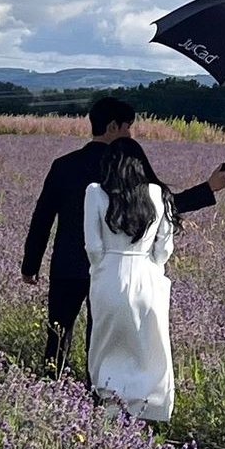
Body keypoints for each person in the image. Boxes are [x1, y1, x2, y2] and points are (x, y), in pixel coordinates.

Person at [21, 97, 225, 381]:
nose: (131, 134)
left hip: (67, 266)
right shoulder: (126, 167)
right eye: (128, 127)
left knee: (58, 332)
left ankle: (50, 384)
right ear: (112, 126)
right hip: (111, 270)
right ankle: (98, 390)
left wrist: (30, 265)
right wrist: (207, 189)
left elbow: (42, 218)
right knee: (102, 337)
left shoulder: (63, 165)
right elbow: (162, 205)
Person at [84, 138, 178, 420]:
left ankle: (110, 405)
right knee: (149, 346)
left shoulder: (95, 193)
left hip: (110, 274)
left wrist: (103, 268)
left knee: (107, 343)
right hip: (147, 277)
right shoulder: (159, 194)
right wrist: (150, 264)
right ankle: (148, 409)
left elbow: (93, 247)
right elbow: (164, 249)